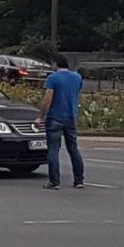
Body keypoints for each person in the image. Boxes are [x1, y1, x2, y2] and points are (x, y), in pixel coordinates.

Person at [38, 54, 85, 190]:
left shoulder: (53, 78)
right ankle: (79, 179)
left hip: (55, 117)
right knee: (73, 149)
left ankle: (54, 181)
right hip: (71, 117)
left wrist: (40, 116)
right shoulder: (77, 77)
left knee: (53, 149)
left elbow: (48, 99)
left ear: (55, 64)